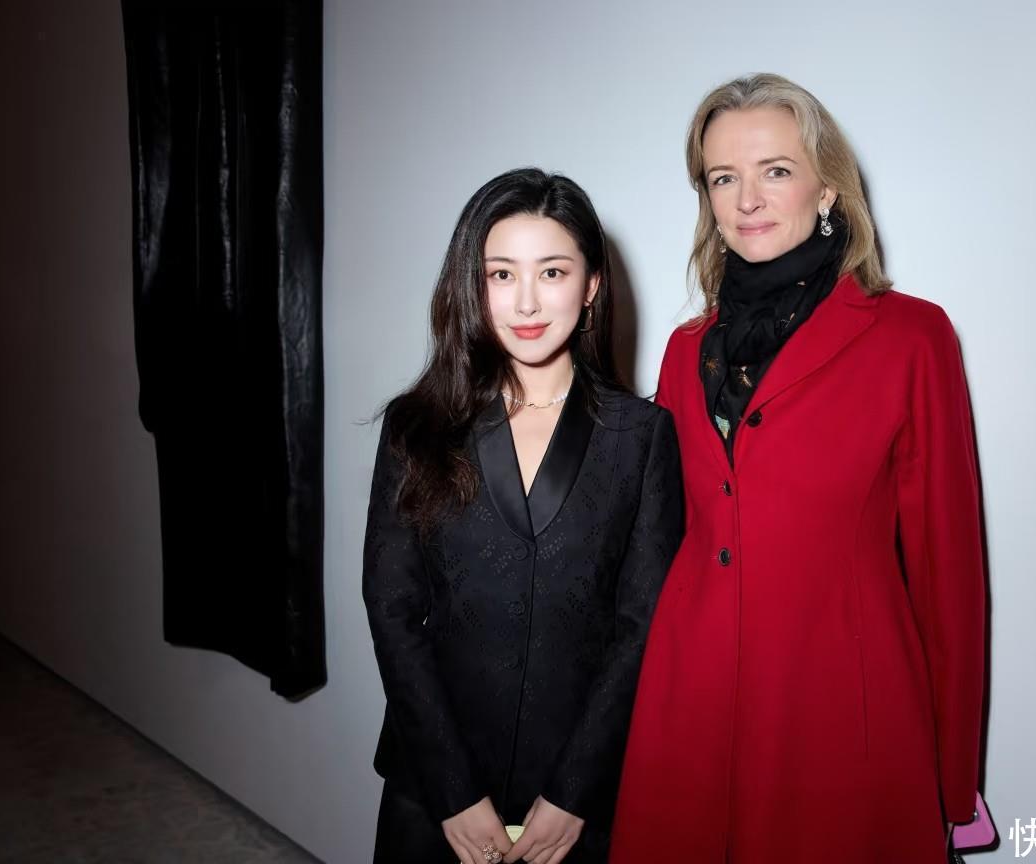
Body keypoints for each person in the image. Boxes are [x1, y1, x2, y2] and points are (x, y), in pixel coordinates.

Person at [610, 74, 988, 863]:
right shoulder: (685, 349)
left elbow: (947, 575)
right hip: (689, 710)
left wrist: (954, 782)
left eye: (775, 170)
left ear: (827, 187)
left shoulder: (911, 338)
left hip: (837, 718)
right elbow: (657, 540)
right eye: (724, 177)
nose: (748, 199)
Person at [363, 168, 684, 864]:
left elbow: (643, 627)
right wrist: (453, 792)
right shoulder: (417, 426)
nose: (527, 301)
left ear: (591, 285)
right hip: (435, 788)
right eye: (501, 274)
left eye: (553, 272)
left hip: (576, 803)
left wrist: (574, 794)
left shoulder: (642, 436)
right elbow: (392, 611)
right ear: (471, 286)